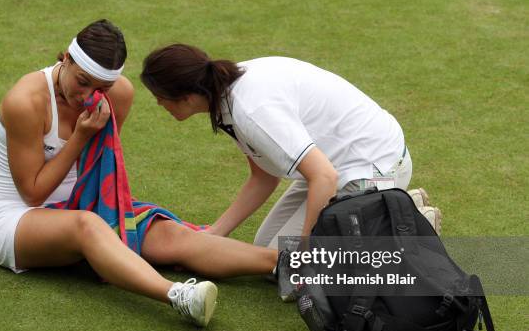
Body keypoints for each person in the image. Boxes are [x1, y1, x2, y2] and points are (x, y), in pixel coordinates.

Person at [0, 20, 278, 328]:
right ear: (66, 60)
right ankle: (179, 296)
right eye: (83, 82)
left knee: (173, 235)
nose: (89, 96)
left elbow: (98, 167)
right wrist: (80, 137)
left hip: (86, 206)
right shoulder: (25, 102)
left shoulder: (120, 94)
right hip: (19, 221)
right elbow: (32, 192)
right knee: (88, 225)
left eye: (101, 89)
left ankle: (285, 265)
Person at [140, 44, 442, 249]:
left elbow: (323, 176)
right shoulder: (224, 95)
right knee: (265, 248)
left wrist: (306, 255)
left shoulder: (252, 111)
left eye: (159, 95)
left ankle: (400, 218)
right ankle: (388, 206)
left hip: (377, 167)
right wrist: (215, 233)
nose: (157, 103)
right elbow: (263, 178)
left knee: (290, 265)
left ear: (186, 95)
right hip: (335, 165)